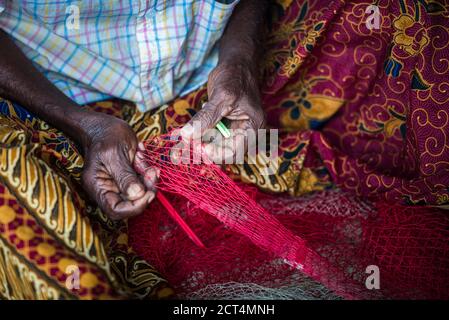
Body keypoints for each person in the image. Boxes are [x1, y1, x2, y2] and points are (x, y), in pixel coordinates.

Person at [0, 0, 447, 299]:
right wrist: (84, 125)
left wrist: (238, 62)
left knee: (402, 12)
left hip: (217, 72)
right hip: (54, 99)